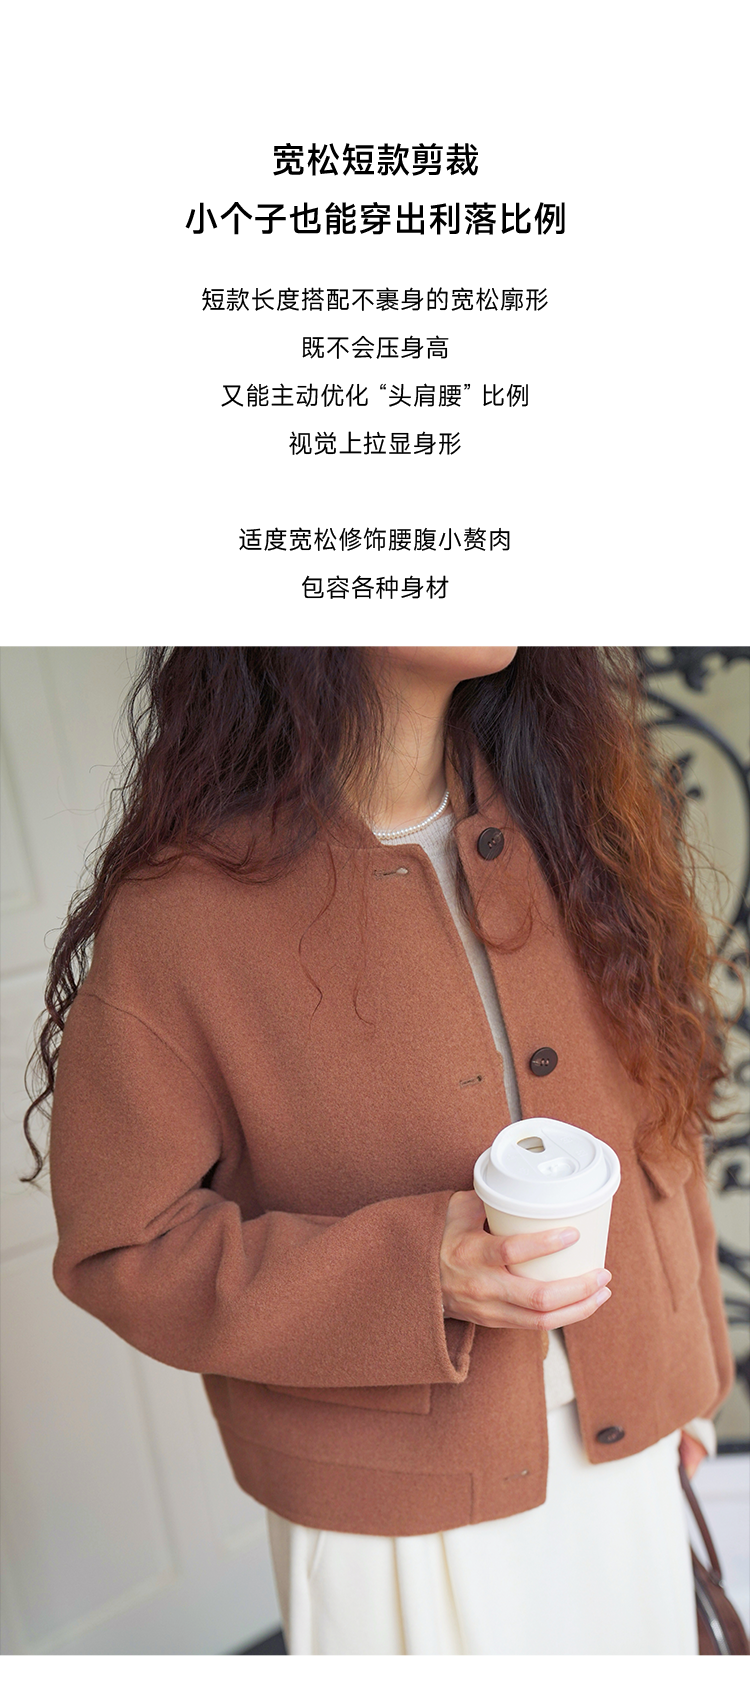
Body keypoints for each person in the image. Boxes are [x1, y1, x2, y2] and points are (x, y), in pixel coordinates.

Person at [24, 646, 735, 1656]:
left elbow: (661, 1119)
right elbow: (122, 1244)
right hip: (393, 1523)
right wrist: (415, 1272)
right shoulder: (184, 912)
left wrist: (691, 1376)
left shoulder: (578, 818)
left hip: (628, 1458)